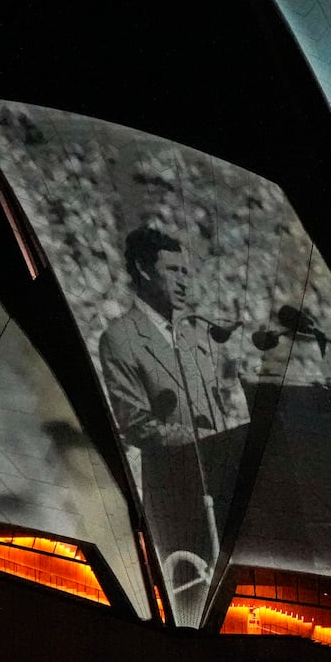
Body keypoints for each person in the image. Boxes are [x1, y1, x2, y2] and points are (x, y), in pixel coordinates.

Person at [97, 225, 250, 622]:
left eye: (186, 270)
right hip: (174, 492)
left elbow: (214, 408)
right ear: (145, 271)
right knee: (187, 608)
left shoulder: (195, 334)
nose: (184, 280)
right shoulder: (120, 338)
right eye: (173, 270)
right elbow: (136, 425)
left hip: (221, 485)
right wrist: (204, 441)